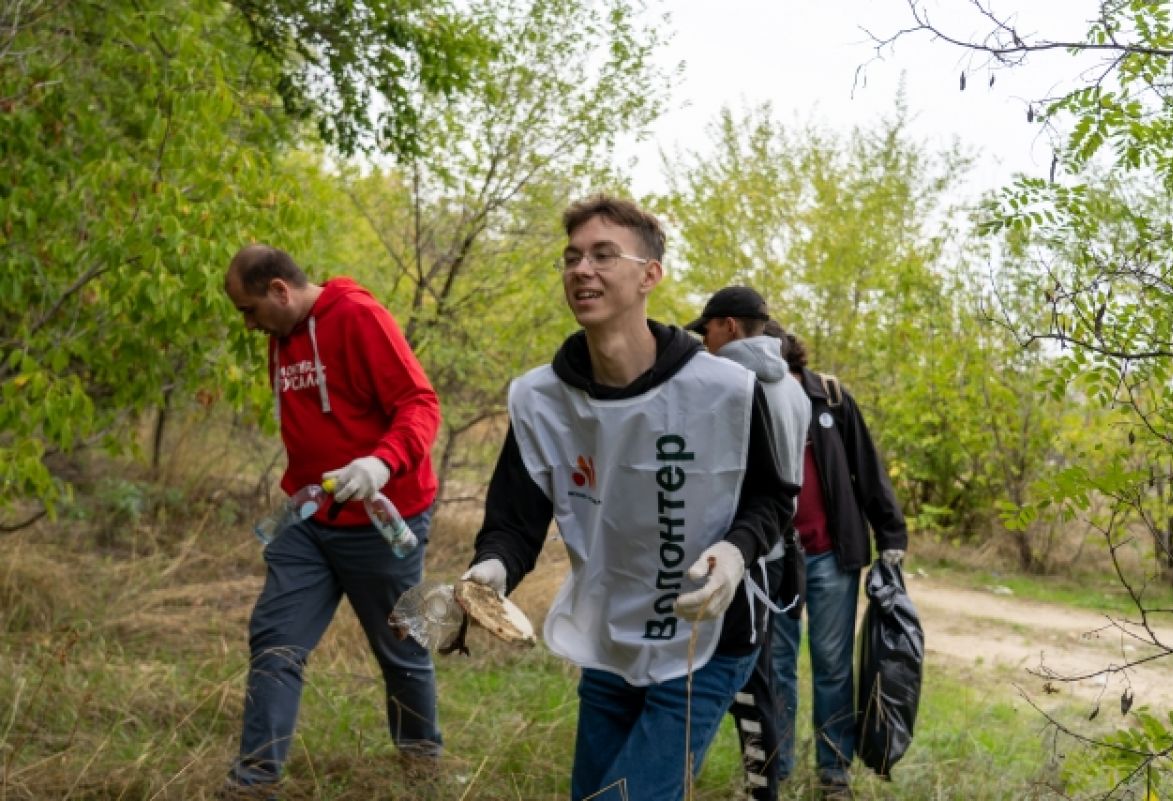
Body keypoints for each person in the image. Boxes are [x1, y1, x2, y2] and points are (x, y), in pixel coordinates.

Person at [459, 196, 797, 801]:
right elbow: (515, 521)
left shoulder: (725, 387)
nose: (581, 269)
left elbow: (772, 499)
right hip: (612, 630)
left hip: (707, 632)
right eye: (571, 258)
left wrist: (737, 553)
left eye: (603, 255)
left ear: (650, 275)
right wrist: (491, 570)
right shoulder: (542, 399)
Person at [221, 244, 443, 797]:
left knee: (402, 650)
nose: (248, 325)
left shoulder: (358, 317)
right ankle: (253, 783)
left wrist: (379, 463)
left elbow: (420, 403)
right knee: (274, 642)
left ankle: (421, 766)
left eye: (249, 309)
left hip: (384, 519)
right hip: (309, 521)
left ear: (279, 290)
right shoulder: (281, 337)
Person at [763, 320, 907, 799]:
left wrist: (891, 532)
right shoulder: (748, 397)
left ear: (787, 357)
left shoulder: (831, 398)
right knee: (776, 665)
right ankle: (774, 768)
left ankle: (834, 772)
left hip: (829, 555)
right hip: (774, 559)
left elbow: (867, 467)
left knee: (831, 666)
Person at [686, 286, 811, 801]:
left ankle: (756, 788)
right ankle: (762, 784)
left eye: (708, 329)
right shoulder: (796, 390)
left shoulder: (731, 383)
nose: (705, 340)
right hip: (777, 551)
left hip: (743, 553)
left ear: (730, 326)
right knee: (757, 674)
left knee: (735, 675)